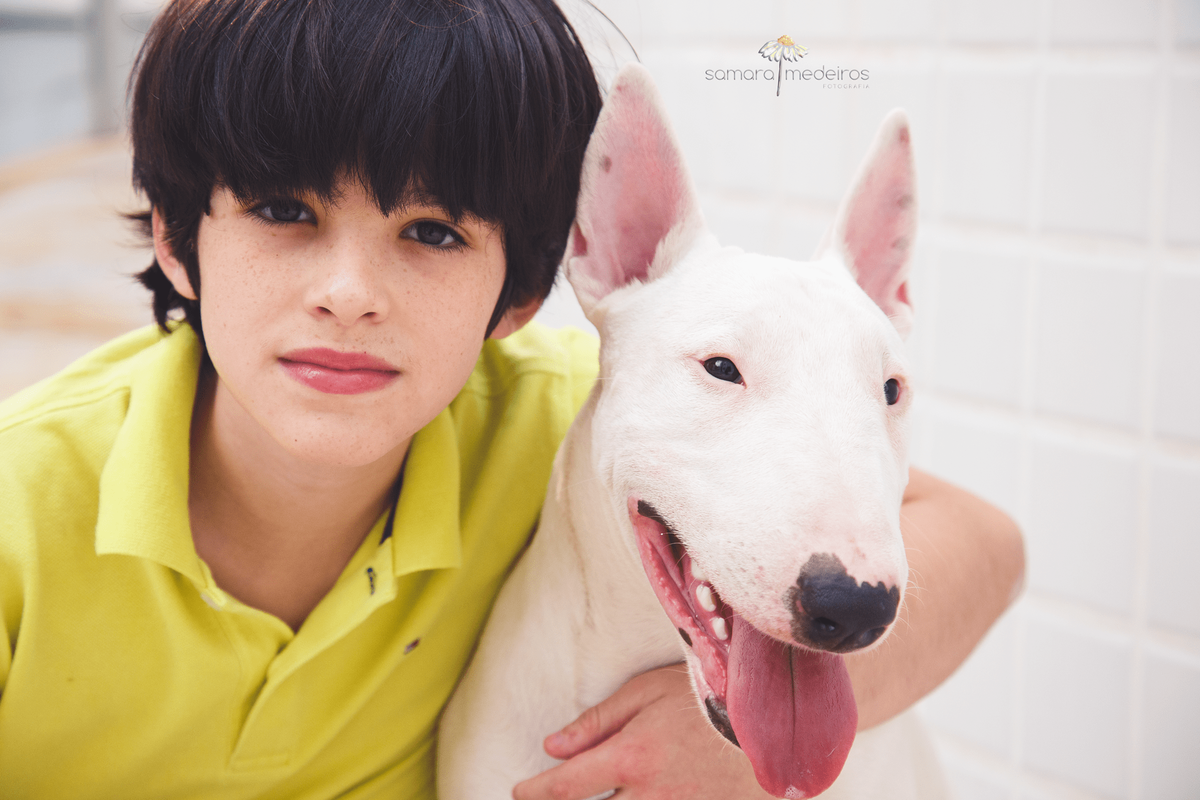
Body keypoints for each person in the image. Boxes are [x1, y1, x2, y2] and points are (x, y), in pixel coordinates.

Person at [0, 0, 1024, 797]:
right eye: (283, 210)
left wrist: (732, 743)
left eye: (433, 232)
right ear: (180, 237)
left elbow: (985, 541)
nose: (349, 295)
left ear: (525, 290)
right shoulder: (19, 503)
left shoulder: (564, 425)